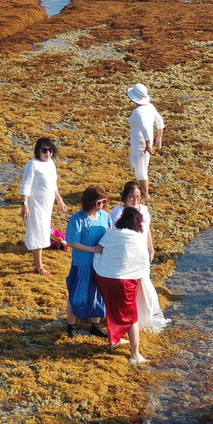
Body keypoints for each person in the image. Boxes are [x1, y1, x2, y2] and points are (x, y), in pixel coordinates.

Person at [73, 206, 151, 364]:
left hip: (105, 278)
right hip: (123, 282)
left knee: (113, 308)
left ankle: (115, 339)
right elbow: (142, 262)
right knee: (131, 315)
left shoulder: (110, 234)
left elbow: (100, 252)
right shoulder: (135, 237)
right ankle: (135, 354)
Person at [64, 185, 113, 337]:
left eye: (103, 202)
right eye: (98, 203)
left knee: (97, 293)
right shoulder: (78, 218)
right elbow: (71, 241)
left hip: (100, 263)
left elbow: (111, 234)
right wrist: (93, 249)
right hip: (82, 262)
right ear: (89, 202)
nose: (101, 206)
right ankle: (71, 326)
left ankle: (95, 324)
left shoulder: (105, 216)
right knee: (76, 293)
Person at [118, 179, 166, 330]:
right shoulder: (119, 212)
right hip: (129, 254)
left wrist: (151, 248)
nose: (135, 200)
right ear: (125, 196)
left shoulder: (143, 210)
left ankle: (147, 316)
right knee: (133, 286)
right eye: (132, 196)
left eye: (138, 197)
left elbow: (147, 230)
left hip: (143, 253)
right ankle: (133, 317)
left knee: (145, 284)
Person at [21, 136, 67, 275]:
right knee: (37, 232)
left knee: (44, 230)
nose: (48, 153)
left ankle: (38, 262)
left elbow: (53, 185)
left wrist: (60, 201)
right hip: (34, 205)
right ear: (38, 151)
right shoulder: (32, 164)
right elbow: (26, 185)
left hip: (47, 205)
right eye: (44, 150)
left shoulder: (51, 163)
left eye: (50, 150)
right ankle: (39, 267)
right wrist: (24, 204)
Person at [126, 84, 165, 201]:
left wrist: (148, 144)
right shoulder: (150, 106)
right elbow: (160, 121)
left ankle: (145, 195)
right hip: (144, 144)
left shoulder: (138, 112)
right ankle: (143, 193)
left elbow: (144, 128)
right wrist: (159, 137)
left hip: (140, 145)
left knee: (140, 169)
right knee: (140, 166)